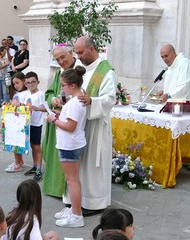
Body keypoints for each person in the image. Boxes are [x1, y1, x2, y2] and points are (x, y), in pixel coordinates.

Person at [74, 36, 117, 214]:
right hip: (83, 125)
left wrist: (92, 100)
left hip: (97, 127)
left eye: (81, 52)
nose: (79, 57)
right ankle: (81, 199)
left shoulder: (106, 71)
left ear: (91, 49)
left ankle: (95, 203)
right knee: (83, 165)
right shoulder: (82, 69)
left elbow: (110, 99)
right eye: (76, 53)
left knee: (94, 166)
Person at [47, 66, 87, 228]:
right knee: (72, 179)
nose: (61, 88)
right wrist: (59, 115)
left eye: (63, 85)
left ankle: (77, 216)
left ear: (72, 85)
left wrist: (54, 120)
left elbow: (70, 126)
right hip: (74, 143)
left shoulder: (73, 103)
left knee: (72, 181)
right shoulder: (78, 100)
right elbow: (71, 120)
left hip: (70, 145)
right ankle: (73, 210)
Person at [42, 43, 81, 198]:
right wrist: (53, 100)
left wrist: (66, 101)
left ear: (71, 53)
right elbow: (49, 92)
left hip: (69, 119)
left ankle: (65, 191)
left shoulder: (78, 71)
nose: (60, 61)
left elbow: (81, 94)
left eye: (62, 57)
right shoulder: (59, 73)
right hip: (57, 116)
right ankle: (54, 187)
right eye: (57, 59)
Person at [23, 71, 46, 182]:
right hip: (28, 123)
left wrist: (37, 108)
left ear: (38, 82)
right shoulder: (27, 95)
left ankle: (39, 170)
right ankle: (35, 165)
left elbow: (46, 108)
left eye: (32, 82)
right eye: (27, 83)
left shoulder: (40, 94)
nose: (30, 84)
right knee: (32, 146)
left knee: (37, 147)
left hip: (37, 123)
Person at [5, 72, 28, 173]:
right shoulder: (17, 94)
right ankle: (18, 161)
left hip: (21, 122)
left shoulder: (26, 93)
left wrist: (19, 105)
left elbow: (27, 106)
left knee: (17, 143)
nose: (16, 85)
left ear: (24, 81)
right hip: (14, 122)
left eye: (17, 83)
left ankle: (18, 163)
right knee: (15, 142)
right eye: (14, 84)